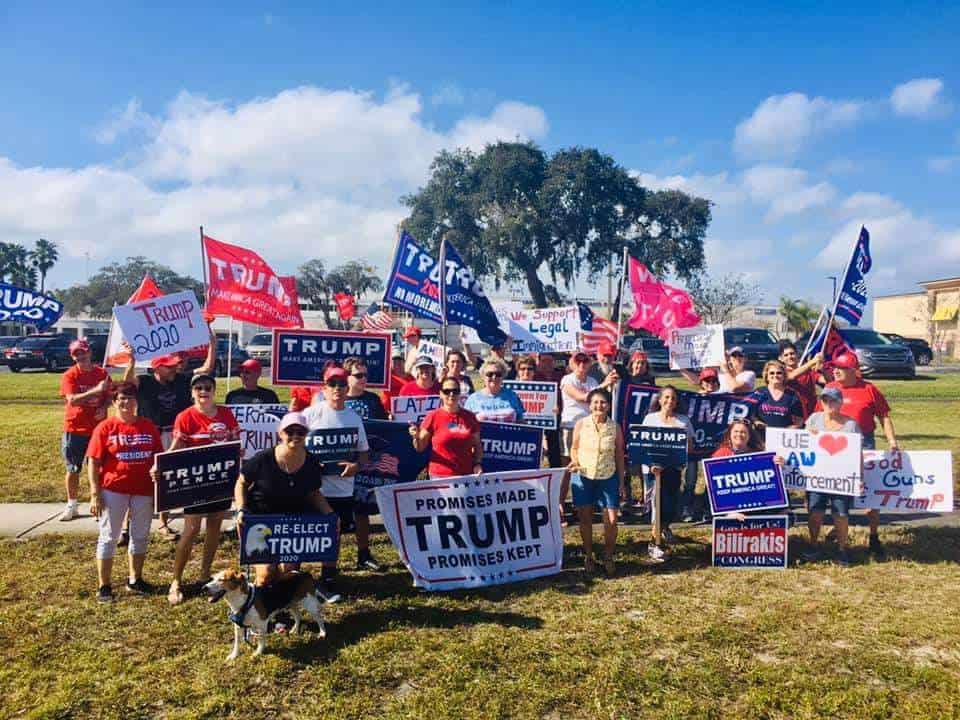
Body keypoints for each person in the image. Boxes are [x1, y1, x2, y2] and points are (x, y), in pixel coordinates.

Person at [123, 329, 216, 540]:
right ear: (158, 367)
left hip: (173, 435)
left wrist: (212, 344)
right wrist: (131, 360)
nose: (175, 368)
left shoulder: (181, 380)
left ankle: (163, 523)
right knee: (138, 477)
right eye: (170, 365)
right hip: (148, 435)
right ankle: (127, 526)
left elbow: (207, 369)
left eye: (175, 365)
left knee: (166, 478)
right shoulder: (145, 381)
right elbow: (128, 384)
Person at [165, 373, 241, 605]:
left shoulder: (226, 414)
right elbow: (176, 448)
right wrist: (161, 465)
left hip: (220, 482)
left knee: (214, 529)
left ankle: (203, 574)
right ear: (192, 392)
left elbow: (235, 444)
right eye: (198, 387)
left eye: (207, 387)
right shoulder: (185, 417)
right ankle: (176, 580)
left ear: (214, 390)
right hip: (196, 484)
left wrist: (238, 454)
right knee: (190, 531)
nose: (203, 391)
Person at [235, 412, 335, 587]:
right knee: (266, 575)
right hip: (262, 520)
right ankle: (261, 605)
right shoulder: (263, 458)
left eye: (300, 432)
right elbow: (241, 483)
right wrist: (241, 509)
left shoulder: (311, 461)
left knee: (288, 571)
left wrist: (330, 514)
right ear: (280, 433)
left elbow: (314, 492)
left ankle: (281, 605)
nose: (295, 436)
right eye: (290, 431)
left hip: (292, 523)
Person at [86, 382, 163, 603]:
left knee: (140, 536)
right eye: (121, 398)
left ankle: (135, 579)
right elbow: (93, 461)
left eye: (130, 398)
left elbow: (158, 457)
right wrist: (94, 493)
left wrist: (157, 471)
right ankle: (104, 585)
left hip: (143, 491)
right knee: (109, 537)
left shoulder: (148, 426)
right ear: (114, 402)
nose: (126, 402)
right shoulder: (105, 427)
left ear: (136, 401)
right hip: (114, 490)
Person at [821, 351, 899, 559]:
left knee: (870, 494)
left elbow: (884, 416)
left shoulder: (869, 389)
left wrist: (892, 441)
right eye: (834, 367)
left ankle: (873, 537)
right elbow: (820, 416)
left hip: (865, 442)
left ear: (853, 371)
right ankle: (839, 531)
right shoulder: (830, 388)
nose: (835, 371)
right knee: (839, 493)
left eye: (840, 368)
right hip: (837, 445)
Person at [303, 366, 371, 593]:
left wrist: (357, 466)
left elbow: (363, 451)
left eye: (341, 384)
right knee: (308, 532)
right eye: (332, 384)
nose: (337, 389)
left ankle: (328, 576)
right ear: (325, 387)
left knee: (335, 531)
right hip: (314, 489)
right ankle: (295, 576)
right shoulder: (310, 414)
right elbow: (291, 445)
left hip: (343, 488)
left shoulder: (353, 418)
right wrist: (310, 467)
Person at [567, 388, 626, 576]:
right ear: (589, 405)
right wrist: (575, 461)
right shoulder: (581, 424)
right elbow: (574, 447)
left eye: (603, 402)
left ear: (608, 405)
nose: (599, 406)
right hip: (584, 476)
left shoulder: (615, 427)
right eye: (595, 403)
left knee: (612, 520)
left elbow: (619, 455)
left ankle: (608, 556)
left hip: (608, 476)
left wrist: (622, 481)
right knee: (585, 518)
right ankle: (589, 555)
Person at [803, 387, 861, 567]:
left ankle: (842, 549)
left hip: (841, 478)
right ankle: (813, 545)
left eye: (833, 400)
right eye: (825, 400)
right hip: (817, 476)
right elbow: (801, 446)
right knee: (815, 512)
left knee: (841, 514)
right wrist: (808, 436)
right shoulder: (813, 419)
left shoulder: (851, 425)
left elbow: (857, 453)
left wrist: (859, 478)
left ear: (840, 402)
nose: (829, 404)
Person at [58, 339, 110, 521]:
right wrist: (95, 390)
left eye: (83, 352)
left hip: (97, 430)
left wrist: (104, 406)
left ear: (89, 353)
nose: (80, 356)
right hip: (75, 428)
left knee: (98, 467)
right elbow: (72, 399)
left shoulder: (102, 373)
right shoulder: (70, 375)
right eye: (76, 354)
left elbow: (109, 396)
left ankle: (98, 503)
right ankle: (72, 504)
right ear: (73, 357)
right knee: (73, 468)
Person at [641, 386, 695, 561]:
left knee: (670, 506)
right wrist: (651, 464)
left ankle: (664, 528)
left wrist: (677, 454)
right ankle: (654, 544)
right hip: (654, 471)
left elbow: (690, 446)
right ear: (659, 399)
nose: (669, 401)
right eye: (666, 397)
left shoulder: (683, 421)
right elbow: (641, 445)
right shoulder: (650, 419)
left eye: (673, 398)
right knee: (657, 506)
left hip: (673, 470)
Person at [410, 376, 483, 478]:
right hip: (439, 476)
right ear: (440, 394)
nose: (451, 394)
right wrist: (416, 437)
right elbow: (420, 448)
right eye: (447, 391)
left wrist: (477, 464)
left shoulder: (470, 417)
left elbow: (477, 446)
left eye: (455, 391)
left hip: (466, 475)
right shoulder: (433, 416)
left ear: (460, 393)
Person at [558, 352, 601, 523]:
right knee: (567, 468)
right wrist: (604, 385)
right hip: (570, 427)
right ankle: (559, 505)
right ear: (572, 363)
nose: (582, 363)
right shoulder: (567, 380)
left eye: (585, 360)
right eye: (578, 360)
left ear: (590, 363)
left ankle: (581, 505)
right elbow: (584, 397)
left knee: (586, 468)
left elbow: (597, 403)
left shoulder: (592, 381)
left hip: (589, 428)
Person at [750, 361, 804, 430]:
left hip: (783, 436)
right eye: (772, 373)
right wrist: (756, 422)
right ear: (767, 376)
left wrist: (789, 430)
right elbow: (751, 414)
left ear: (784, 376)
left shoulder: (792, 395)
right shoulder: (758, 392)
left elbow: (799, 420)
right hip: (760, 436)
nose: (775, 375)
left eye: (779, 373)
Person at [779, 341, 823, 420]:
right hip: (791, 414)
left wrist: (823, 368)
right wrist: (812, 361)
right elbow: (791, 376)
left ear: (797, 355)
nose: (790, 357)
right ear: (781, 359)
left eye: (792, 353)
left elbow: (825, 380)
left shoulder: (808, 371)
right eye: (786, 355)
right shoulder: (780, 372)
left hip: (810, 414)